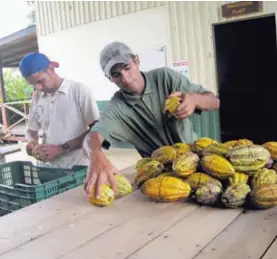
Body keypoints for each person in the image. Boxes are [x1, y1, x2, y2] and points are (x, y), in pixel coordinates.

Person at [83, 41, 220, 197]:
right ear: (109, 78)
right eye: (116, 75)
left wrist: (194, 99)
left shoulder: (165, 77)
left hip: (196, 161)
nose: (125, 79)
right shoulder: (118, 106)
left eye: (127, 68)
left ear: (137, 61)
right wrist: (95, 153)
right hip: (159, 179)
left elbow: (214, 102)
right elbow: (93, 135)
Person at [19, 52, 100, 169]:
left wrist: (62, 148)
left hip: (77, 167)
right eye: (33, 84)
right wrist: (32, 142)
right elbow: (31, 130)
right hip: (47, 169)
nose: (39, 88)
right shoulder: (37, 97)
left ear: (51, 69)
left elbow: (96, 130)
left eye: (40, 81)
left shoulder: (79, 91)